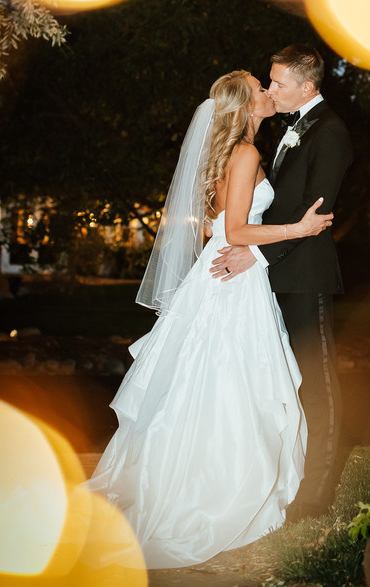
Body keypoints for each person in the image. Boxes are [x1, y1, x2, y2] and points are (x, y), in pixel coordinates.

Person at [87, 70, 333, 569]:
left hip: (223, 271)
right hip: (232, 278)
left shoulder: (229, 153)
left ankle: (202, 472)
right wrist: (300, 228)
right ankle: (214, 487)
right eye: (259, 89)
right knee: (227, 381)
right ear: (245, 105)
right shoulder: (245, 154)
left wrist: (239, 242)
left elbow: (220, 228)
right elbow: (239, 230)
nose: (268, 93)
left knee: (211, 380)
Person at [210, 45, 353, 521]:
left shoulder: (329, 132)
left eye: (279, 84)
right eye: (268, 83)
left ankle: (315, 493)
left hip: (303, 273)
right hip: (273, 274)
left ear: (307, 87)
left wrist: (253, 250)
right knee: (282, 379)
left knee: (317, 378)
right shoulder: (289, 131)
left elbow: (314, 213)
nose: (272, 90)